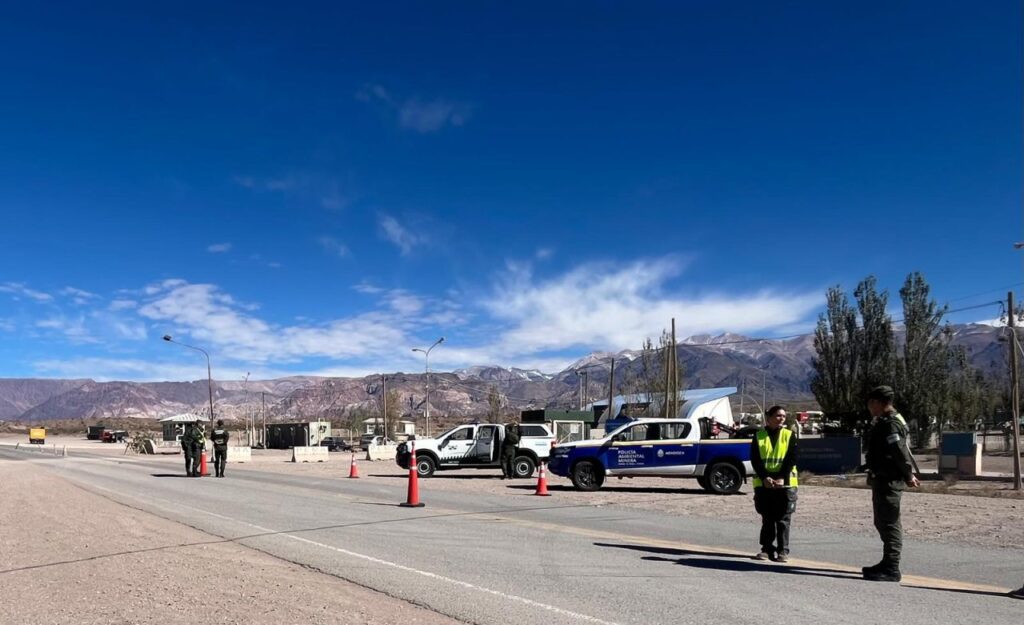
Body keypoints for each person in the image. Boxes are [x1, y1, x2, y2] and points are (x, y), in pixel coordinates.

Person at [862, 385, 919, 582]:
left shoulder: (891, 423)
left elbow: (899, 451)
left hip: (889, 480)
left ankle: (892, 567)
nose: (869, 408)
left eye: (871, 403)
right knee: (882, 521)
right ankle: (887, 562)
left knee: (890, 523)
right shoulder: (888, 420)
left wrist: (908, 475)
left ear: (878, 402)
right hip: (883, 478)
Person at [750, 405, 799, 563]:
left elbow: (791, 458)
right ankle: (766, 549)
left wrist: (781, 477)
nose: (781, 419)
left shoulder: (789, 435)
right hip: (765, 484)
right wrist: (765, 477)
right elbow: (756, 460)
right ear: (768, 417)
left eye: (783, 416)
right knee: (768, 517)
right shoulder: (759, 436)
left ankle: (783, 551)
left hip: (785, 483)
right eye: (778, 415)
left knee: (783, 518)